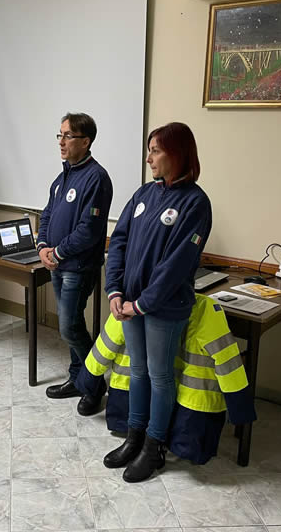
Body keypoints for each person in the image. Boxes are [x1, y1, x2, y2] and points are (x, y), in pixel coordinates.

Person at [103, 122, 212, 482]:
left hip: (163, 308)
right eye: (149, 150)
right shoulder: (144, 195)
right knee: (137, 370)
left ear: (177, 153)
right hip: (130, 304)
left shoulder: (195, 203)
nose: (148, 158)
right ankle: (134, 437)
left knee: (160, 376)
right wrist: (115, 290)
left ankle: (154, 447)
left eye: (155, 151)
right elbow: (119, 241)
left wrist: (142, 303)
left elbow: (177, 264)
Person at [37, 112, 113, 414]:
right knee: (72, 325)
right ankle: (77, 378)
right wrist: (43, 246)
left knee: (69, 328)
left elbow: (89, 231)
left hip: (77, 267)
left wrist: (57, 253)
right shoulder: (63, 177)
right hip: (57, 264)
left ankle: (94, 384)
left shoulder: (96, 178)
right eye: (60, 135)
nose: (61, 142)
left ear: (86, 141)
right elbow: (47, 214)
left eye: (68, 136)